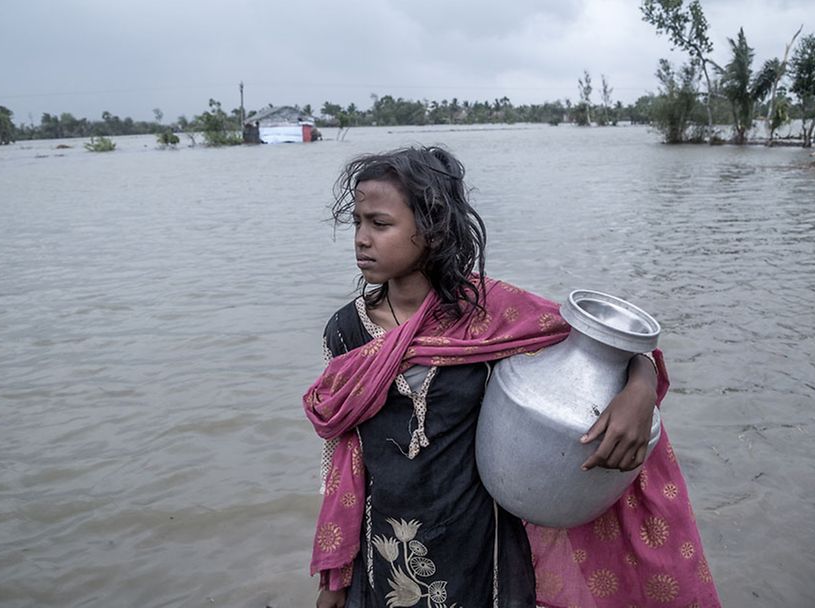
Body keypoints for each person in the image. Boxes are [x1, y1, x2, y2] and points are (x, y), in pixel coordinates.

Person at [303, 146, 720, 607]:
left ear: (434, 229)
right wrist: (334, 574)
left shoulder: (490, 316)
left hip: (485, 547)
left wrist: (640, 388)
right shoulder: (346, 332)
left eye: (380, 224)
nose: (362, 238)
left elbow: (605, 346)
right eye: (358, 222)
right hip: (384, 549)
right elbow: (346, 460)